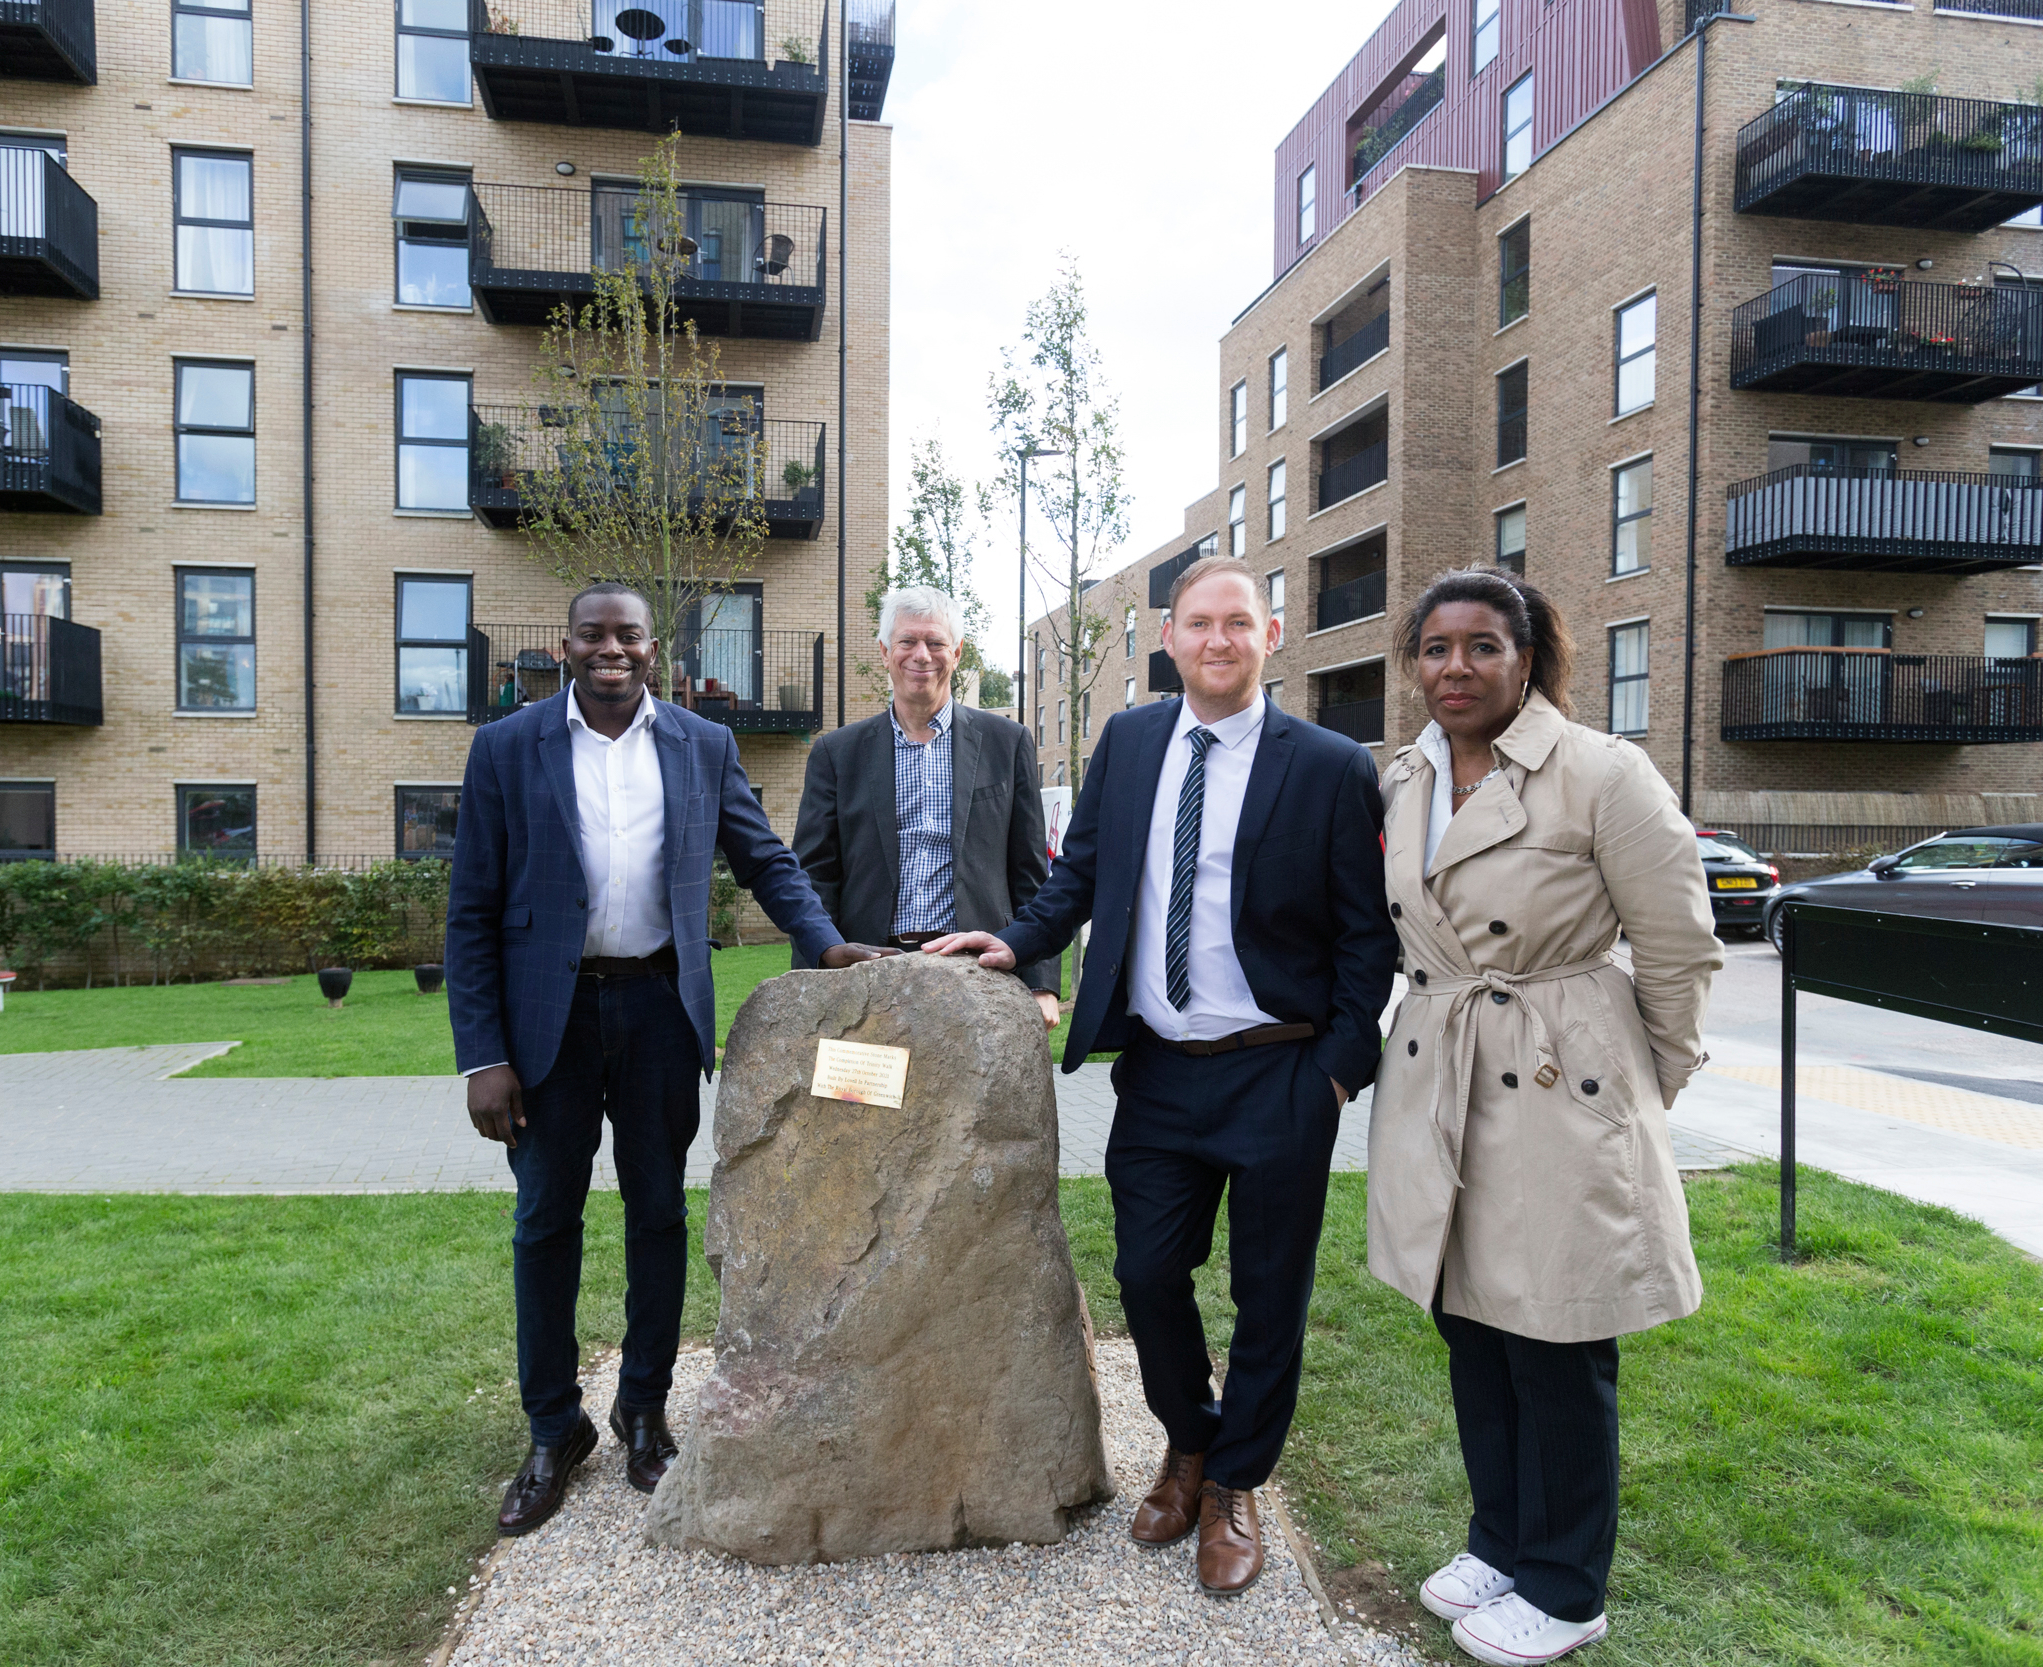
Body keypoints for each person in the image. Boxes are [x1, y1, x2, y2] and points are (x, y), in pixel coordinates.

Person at [926, 555, 1395, 1597]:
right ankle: (1188, 1436)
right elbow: (1080, 873)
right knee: (1145, 1274)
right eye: (1198, 623)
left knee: (1270, 1295)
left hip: (1280, 1072)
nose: (1218, 640)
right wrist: (1012, 943)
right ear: (1169, 637)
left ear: (1270, 635)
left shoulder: (1325, 764)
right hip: (1158, 1071)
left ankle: (1233, 1481)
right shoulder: (1130, 740)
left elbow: (1369, 940)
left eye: (1238, 623)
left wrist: (1337, 1074)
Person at [446, 582, 887, 1535]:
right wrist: (483, 1054)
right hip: (545, 1026)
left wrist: (827, 942)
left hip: (657, 1008)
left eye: (630, 635)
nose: (613, 648)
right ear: (564, 646)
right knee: (542, 1222)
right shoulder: (505, 748)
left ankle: (643, 1410)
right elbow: (471, 910)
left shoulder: (701, 743)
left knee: (658, 1214)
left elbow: (768, 859)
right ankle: (553, 1427)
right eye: (594, 634)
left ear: (655, 649)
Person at [1370, 569, 1719, 1666]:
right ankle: (1501, 1537)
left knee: (1557, 1334)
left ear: (1529, 657)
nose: (1455, 667)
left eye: (1481, 645)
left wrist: (1643, 1080)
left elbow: (1679, 941)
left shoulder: (1602, 773)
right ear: (1412, 663)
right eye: (1434, 648)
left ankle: (1566, 1584)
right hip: (1440, 1076)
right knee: (1470, 1320)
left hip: (1559, 1077)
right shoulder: (1405, 779)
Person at [792, 584, 1061, 1028]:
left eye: (936, 642)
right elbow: (814, 876)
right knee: (866, 1099)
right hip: (869, 974)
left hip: (979, 972)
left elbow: (1030, 873)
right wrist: (813, 973)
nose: (922, 655)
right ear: (884, 651)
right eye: (907, 642)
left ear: (956, 652)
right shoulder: (837, 754)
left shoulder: (1006, 743)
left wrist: (1041, 981)